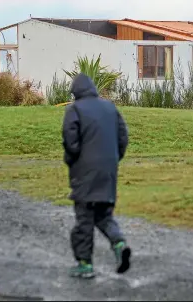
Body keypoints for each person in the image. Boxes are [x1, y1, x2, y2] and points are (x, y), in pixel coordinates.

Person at [62, 73, 131, 279]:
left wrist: (70, 159)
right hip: (108, 171)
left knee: (84, 218)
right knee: (103, 215)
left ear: (75, 93)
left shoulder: (74, 109)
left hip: (84, 171)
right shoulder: (111, 108)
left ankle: (85, 264)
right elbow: (123, 137)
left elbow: (71, 142)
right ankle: (119, 243)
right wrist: (113, 160)